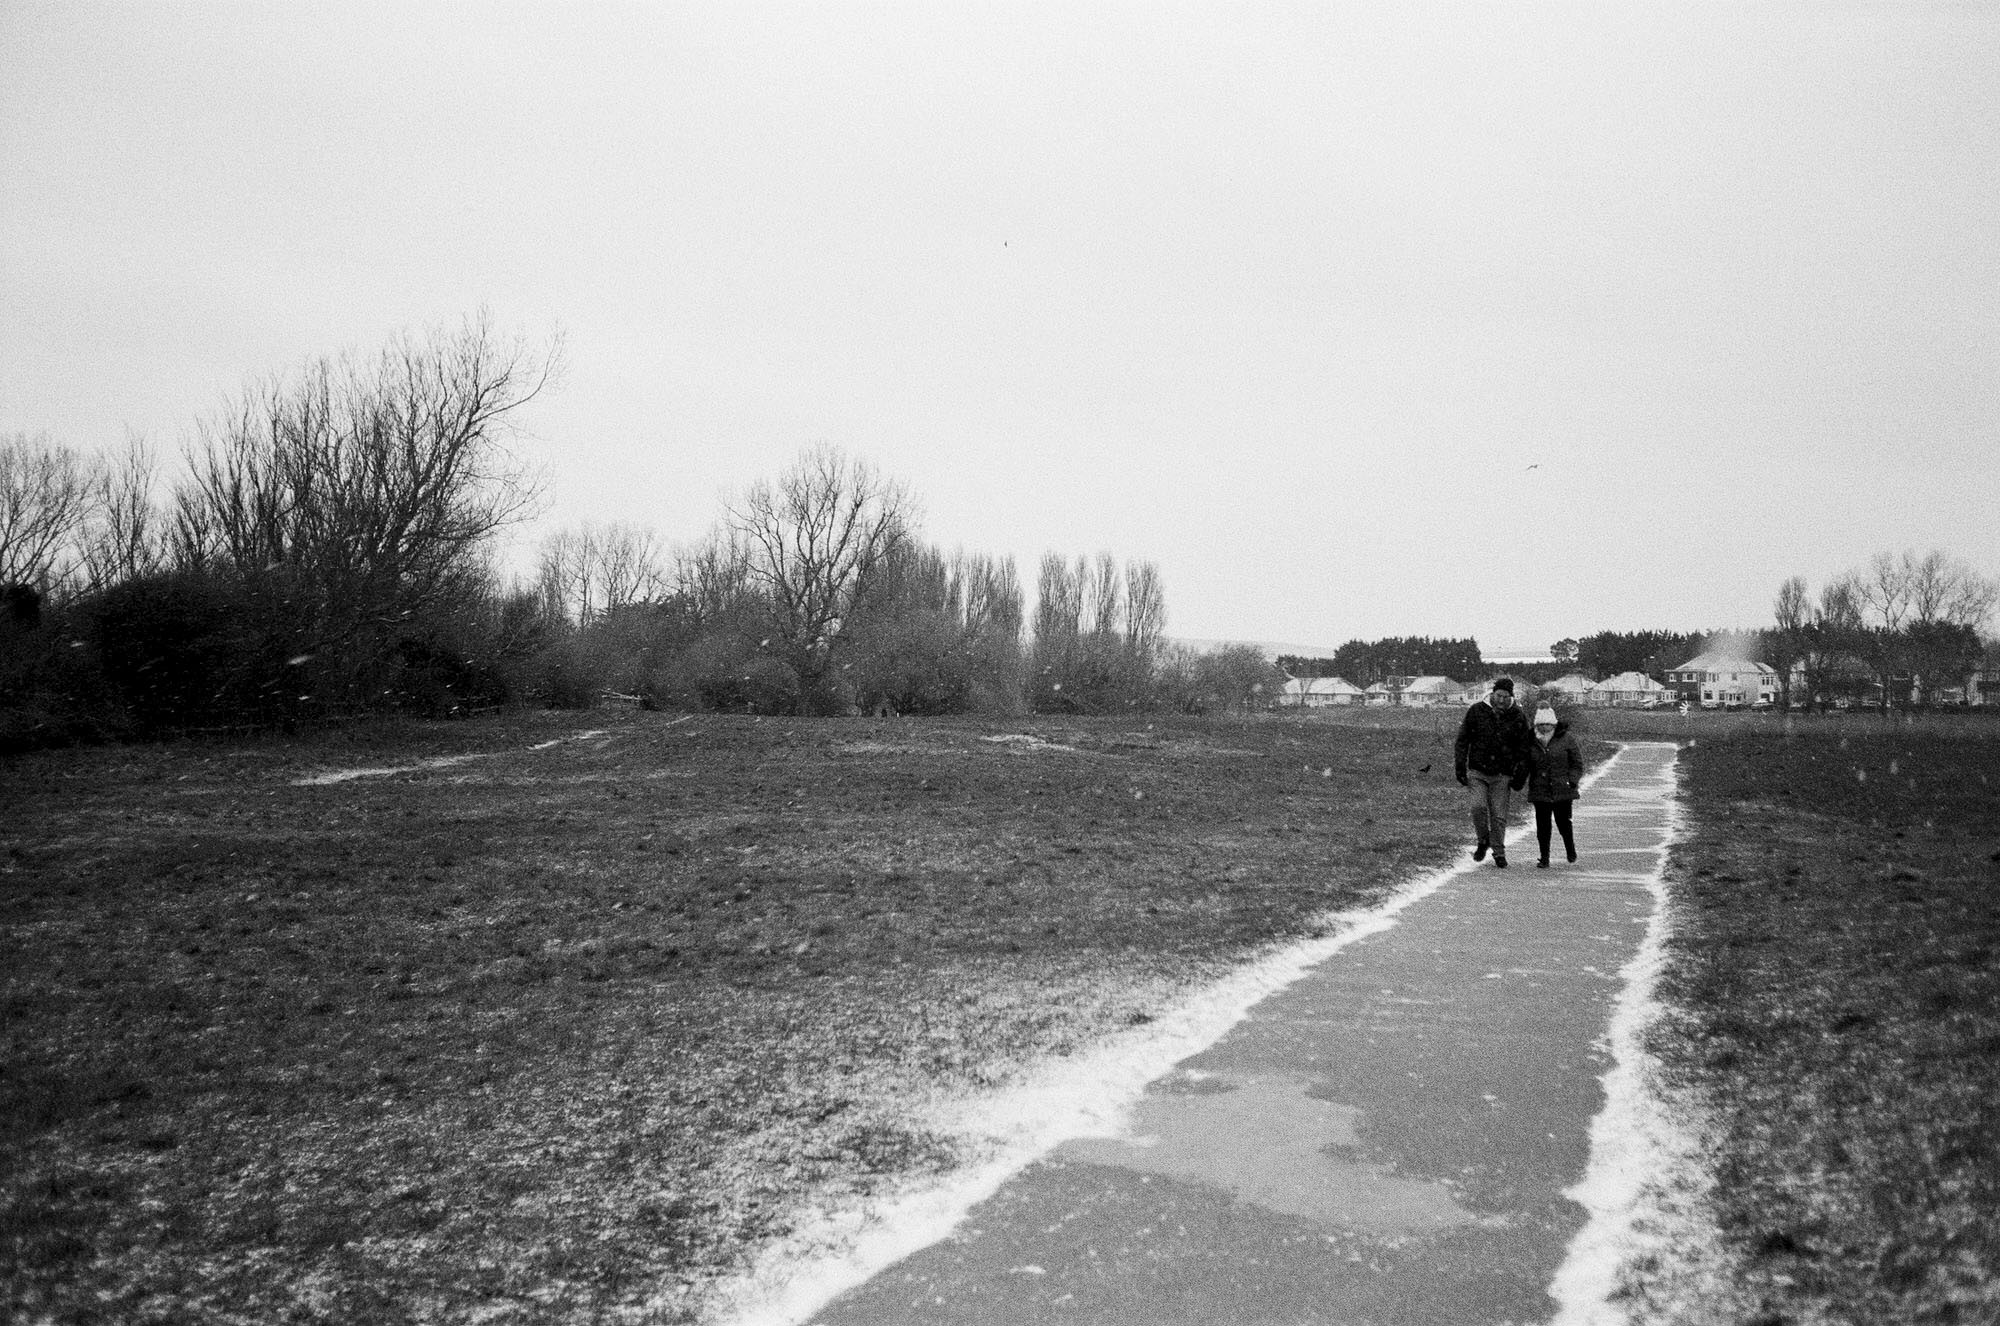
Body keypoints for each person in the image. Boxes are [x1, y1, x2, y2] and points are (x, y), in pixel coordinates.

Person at [1454, 677, 1533, 867]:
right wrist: (1460, 766)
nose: (1501, 700)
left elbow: (1524, 749)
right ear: (1492, 693)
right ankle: (1483, 840)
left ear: (1511, 697)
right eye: (1499, 695)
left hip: (1502, 774)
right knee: (1477, 807)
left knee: (1498, 815)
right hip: (1477, 770)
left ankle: (1499, 852)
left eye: (1506, 697)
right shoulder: (1476, 711)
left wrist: (1520, 775)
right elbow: (1463, 740)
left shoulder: (1518, 716)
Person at [1525, 705, 1584, 867]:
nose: (1545, 727)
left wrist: (1572, 780)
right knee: (1542, 825)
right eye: (1541, 724)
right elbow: (1525, 763)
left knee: (1563, 822)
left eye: (1548, 724)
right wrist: (1517, 780)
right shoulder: (1531, 739)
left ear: (1554, 724)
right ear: (1536, 724)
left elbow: (1577, 763)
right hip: (1540, 788)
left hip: (1562, 788)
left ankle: (1570, 850)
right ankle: (1544, 857)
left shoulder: (1566, 738)